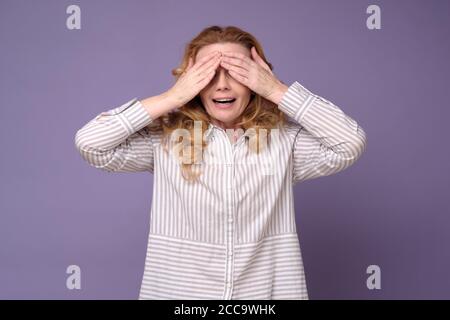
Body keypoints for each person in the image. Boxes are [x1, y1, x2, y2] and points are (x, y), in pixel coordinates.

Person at [74, 25, 367, 300]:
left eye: (237, 72)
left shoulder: (283, 141)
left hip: (265, 296)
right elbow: (92, 144)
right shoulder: (164, 139)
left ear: (256, 80)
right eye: (209, 74)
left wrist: (276, 90)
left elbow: (348, 143)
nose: (222, 85)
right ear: (192, 81)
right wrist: (173, 96)